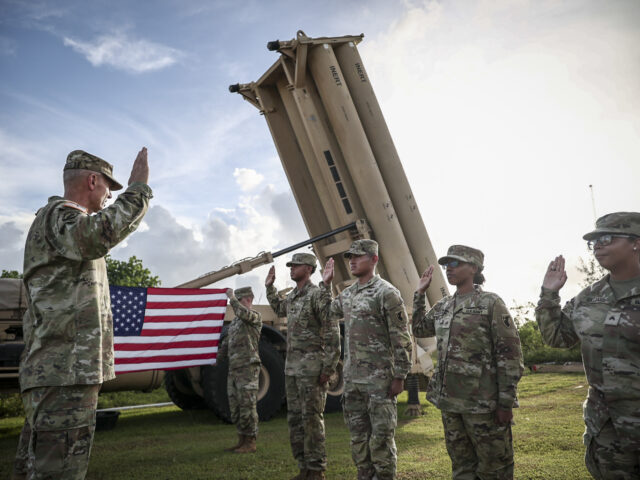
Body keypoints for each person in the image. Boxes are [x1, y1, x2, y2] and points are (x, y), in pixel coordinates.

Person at [12, 148, 152, 480]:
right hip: (64, 372)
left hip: (62, 371)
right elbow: (97, 235)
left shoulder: (60, 221)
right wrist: (137, 189)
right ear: (92, 180)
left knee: (38, 468)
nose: (108, 196)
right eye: (108, 188)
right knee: (60, 471)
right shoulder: (60, 215)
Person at [535, 212, 640, 479]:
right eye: (593, 241)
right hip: (606, 428)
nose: (597, 246)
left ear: (635, 242)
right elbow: (557, 338)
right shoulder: (588, 298)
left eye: (606, 238)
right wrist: (549, 294)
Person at [412, 245, 523, 480]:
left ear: (473, 268)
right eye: (446, 265)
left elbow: (510, 353)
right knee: (462, 467)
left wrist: (505, 402)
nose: (448, 269)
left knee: (494, 468)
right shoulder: (443, 306)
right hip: (450, 403)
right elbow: (420, 328)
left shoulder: (491, 303)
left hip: (483, 404)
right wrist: (420, 294)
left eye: (454, 263)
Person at [325, 239, 412, 480]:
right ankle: (364, 475)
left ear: (374, 259)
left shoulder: (387, 293)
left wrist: (400, 375)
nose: (352, 260)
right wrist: (326, 285)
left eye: (358, 256)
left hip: (379, 382)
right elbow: (327, 312)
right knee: (358, 438)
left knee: (381, 439)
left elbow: (402, 337)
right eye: (350, 257)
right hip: (353, 382)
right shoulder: (349, 294)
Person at [265, 253, 340, 480]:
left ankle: (317, 470)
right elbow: (279, 309)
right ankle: (303, 468)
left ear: (308, 268)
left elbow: (331, 329)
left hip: (312, 370)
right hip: (293, 370)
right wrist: (269, 287)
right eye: (291, 265)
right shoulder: (294, 297)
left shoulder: (317, 295)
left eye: (295, 265)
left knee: (312, 419)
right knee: (295, 419)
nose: (291, 269)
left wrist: (328, 368)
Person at [219, 286, 262, 454]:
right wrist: (217, 358)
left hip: (247, 368)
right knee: (235, 406)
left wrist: (231, 298)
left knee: (247, 406)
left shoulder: (253, 317)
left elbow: (242, 313)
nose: (234, 304)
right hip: (234, 369)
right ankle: (241, 439)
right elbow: (227, 343)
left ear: (248, 300)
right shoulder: (235, 323)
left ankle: (250, 441)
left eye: (239, 300)